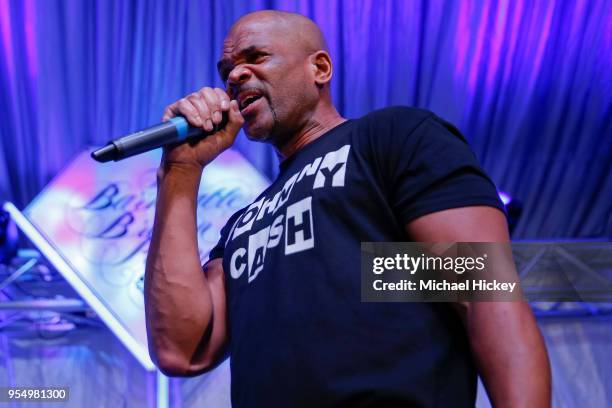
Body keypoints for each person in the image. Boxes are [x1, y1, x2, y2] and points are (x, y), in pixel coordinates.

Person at [144, 10, 551, 407]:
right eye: (226, 70)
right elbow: (183, 349)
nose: (234, 76)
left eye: (256, 57)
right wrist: (179, 170)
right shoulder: (243, 224)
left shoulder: (389, 137)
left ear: (319, 68)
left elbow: (483, 291)